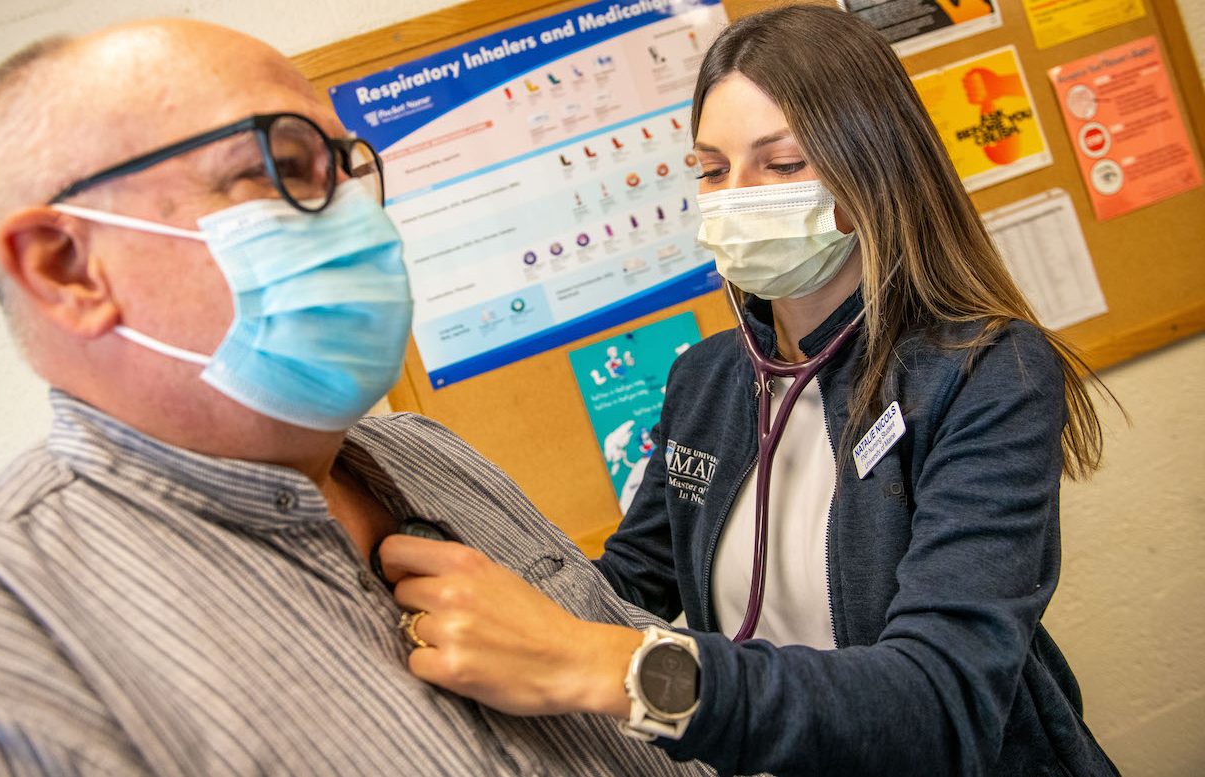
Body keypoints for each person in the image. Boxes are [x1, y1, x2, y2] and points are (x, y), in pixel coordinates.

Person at [0, 19, 713, 776]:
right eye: (282, 167)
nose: (355, 217)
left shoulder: (426, 452)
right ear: (66, 268)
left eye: (344, 166)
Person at [376, 5, 1121, 776]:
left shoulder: (986, 373)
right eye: (712, 169)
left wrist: (617, 668)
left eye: (784, 164)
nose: (736, 196)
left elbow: (938, 705)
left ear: (874, 166)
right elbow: (629, 584)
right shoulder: (705, 379)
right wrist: (493, 606)